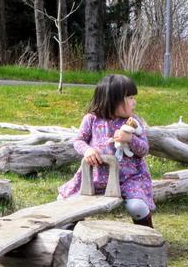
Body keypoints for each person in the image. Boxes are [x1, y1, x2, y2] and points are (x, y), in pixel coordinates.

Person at [58, 74, 156, 227]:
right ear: (113, 100)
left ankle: (148, 233)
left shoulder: (134, 123)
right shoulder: (91, 119)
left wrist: (130, 139)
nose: (134, 102)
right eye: (129, 98)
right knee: (63, 200)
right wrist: (88, 150)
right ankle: (71, 229)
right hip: (96, 177)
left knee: (137, 206)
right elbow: (78, 140)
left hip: (129, 178)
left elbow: (144, 150)